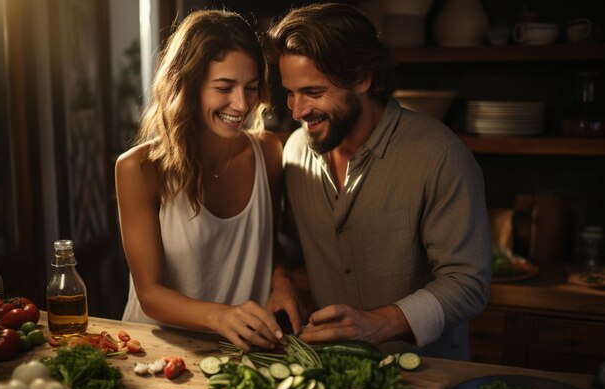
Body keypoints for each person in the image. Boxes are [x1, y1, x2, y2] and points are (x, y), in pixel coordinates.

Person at [265, 2, 491, 360]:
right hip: (330, 369)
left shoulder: (439, 155)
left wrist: (378, 324)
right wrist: (281, 280)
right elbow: (287, 241)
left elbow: (468, 283)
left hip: (426, 374)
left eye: (313, 92)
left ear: (362, 78)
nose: (297, 111)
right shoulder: (295, 150)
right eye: (290, 93)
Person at [116, 9, 295, 352]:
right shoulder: (139, 168)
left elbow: (268, 245)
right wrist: (220, 317)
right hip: (158, 354)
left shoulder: (269, 152)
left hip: (242, 353)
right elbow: (150, 294)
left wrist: (282, 281)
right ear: (188, 85)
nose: (242, 104)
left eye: (252, 87)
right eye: (224, 87)